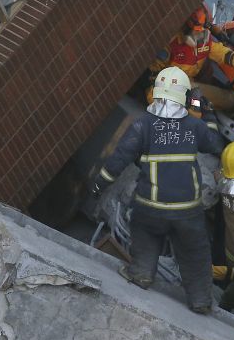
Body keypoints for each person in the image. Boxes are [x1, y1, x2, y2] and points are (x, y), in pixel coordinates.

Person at [92, 67, 224, 314]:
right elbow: (215, 144)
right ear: (184, 97)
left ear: (157, 93)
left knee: (144, 235)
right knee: (194, 252)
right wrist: (208, 115)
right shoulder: (194, 126)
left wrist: (100, 184)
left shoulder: (143, 125)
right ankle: (200, 300)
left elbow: (118, 159)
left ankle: (141, 273)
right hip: (187, 210)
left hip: (150, 206)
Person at [147, 3, 234, 110]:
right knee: (195, 110)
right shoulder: (170, 44)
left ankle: (201, 108)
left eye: (202, 29)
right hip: (172, 88)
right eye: (195, 30)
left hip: (191, 87)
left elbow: (224, 54)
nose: (199, 34)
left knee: (231, 99)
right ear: (186, 26)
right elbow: (153, 77)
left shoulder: (204, 41)